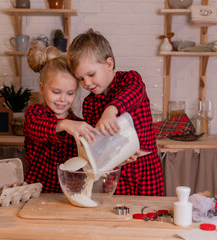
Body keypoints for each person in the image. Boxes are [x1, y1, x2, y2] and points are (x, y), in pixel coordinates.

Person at [67, 29, 164, 196]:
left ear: (109, 64)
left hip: (146, 165)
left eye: (91, 74)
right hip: (118, 169)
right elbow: (98, 142)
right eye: (81, 78)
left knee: (151, 212)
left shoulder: (131, 79)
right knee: (119, 213)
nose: (87, 83)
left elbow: (134, 93)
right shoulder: (89, 103)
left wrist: (111, 111)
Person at [24, 42, 98, 193]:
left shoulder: (78, 125)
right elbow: (37, 127)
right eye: (56, 92)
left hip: (69, 195)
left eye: (70, 93)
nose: (63, 99)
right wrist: (64, 125)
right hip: (37, 194)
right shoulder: (34, 113)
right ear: (42, 88)